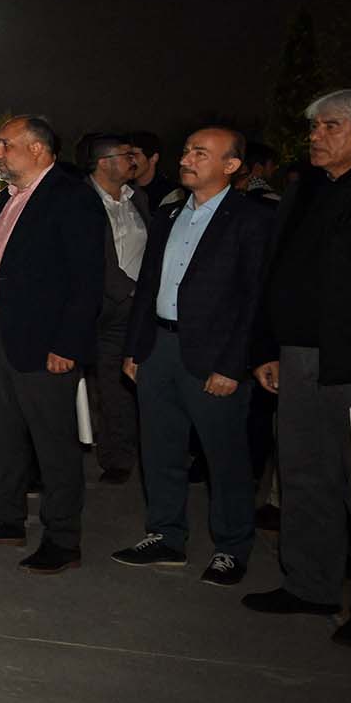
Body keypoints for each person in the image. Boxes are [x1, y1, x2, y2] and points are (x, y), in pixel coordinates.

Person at [113, 127, 271, 585]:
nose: (187, 158)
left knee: (225, 456)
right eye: (186, 150)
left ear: (231, 165)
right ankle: (165, 535)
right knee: (160, 448)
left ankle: (231, 547)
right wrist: (135, 348)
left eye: (201, 153)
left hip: (214, 355)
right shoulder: (168, 215)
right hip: (159, 347)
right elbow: (147, 289)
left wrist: (233, 364)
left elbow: (256, 299)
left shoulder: (251, 219)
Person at [0, 116, 106, 574]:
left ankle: (62, 537)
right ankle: (6, 517)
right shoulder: (9, 196)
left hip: (45, 341)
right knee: (0, 432)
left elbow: (86, 280)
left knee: (53, 443)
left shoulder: (70, 197)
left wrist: (68, 344)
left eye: (5, 144)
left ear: (37, 149)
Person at [245, 89, 351, 648]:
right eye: (314, 126)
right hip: (298, 357)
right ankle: (311, 585)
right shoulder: (305, 190)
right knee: (304, 472)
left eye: (330, 126)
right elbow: (277, 274)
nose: (315, 136)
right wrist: (267, 346)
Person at [83, 134, 152, 483]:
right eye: (127, 155)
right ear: (105, 162)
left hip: (133, 307)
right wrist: (129, 290)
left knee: (121, 382)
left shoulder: (136, 197)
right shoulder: (81, 198)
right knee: (96, 385)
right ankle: (109, 454)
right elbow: (93, 258)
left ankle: (122, 453)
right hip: (97, 304)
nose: (133, 161)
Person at [128, 130, 178, 210]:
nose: (129, 161)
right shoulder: (122, 187)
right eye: (127, 156)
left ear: (154, 158)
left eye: (134, 155)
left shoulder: (170, 192)